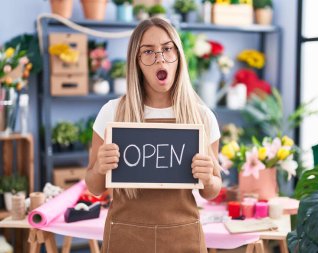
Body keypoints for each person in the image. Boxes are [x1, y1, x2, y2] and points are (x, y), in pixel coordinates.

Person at [85, 17, 222, 253]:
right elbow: (94, 187)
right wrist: (99, 168)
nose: (160, 58)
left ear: (178, 56)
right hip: (126, 237)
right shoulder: (112, 112)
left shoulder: (202, 116)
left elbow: (211, 191)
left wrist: (208, 178)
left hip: (182, 237)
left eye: (167, 49)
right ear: (136, 62)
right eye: (148, 51)